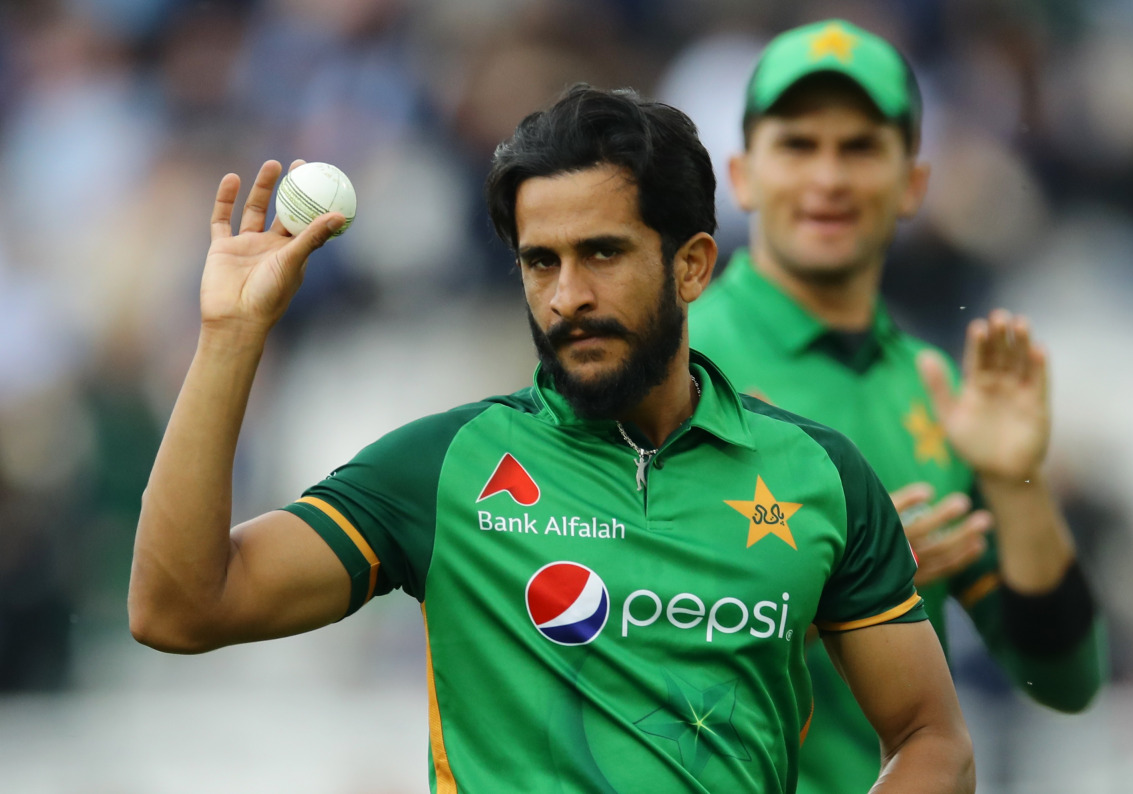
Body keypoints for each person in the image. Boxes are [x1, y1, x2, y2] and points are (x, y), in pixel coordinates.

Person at [128, 85, 974, 793]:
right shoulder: (443, 467)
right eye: (542, 262)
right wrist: (230, 338)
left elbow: (932, 738)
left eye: (602, 253)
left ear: (692, 264)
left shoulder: (819, 474)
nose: (567, 295)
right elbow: (179, 609)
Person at [689, 20, 1106, 794]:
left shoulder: (934, 385)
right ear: (742, 177)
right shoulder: (674, 367)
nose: (828, 177)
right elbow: (610, 642)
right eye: (798, 145)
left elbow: (1065, 678)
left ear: (914, 182)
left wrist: (1017, 484)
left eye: (859, 147)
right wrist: (857, 588)